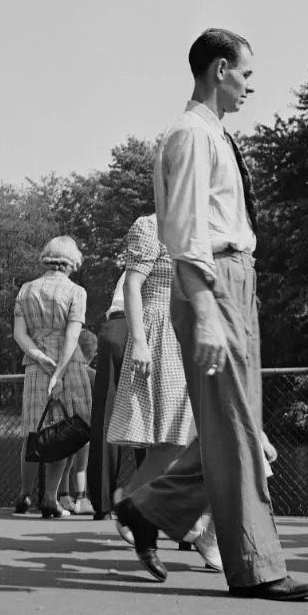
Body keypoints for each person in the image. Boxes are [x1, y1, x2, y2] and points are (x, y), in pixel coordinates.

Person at [114, 28, 308, 600]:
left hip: (236, 280)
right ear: (220, 69)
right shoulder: (190, 135)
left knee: (238, 424)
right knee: (234, 428)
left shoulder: (214, 136)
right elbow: (181, 230)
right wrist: (203, 306)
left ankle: (148, 509)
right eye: (247, 74)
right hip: (212, 281)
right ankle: (257, 567)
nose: (251, 85)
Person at [107, 214, 220, 570]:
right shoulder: (149, 225)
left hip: (187, 333)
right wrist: (138, 340)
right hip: (159, 333)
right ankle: (131, 501)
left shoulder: (200, 227)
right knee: (176, 436)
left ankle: (154, 508)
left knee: (188, 436)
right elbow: (131, 286)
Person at [13, 235, 93, 518]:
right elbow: (72, 337)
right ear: (72, 260)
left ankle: (24, 495)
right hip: (68, 366)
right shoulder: (76, 292)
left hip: (35, 367)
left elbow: (19, 335)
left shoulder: (26, 290)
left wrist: (41, 359)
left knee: (35, 431)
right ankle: (50, 498)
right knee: (66, 431)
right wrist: (57, 372)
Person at [86, 273, 144, 519]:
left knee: (105, 417)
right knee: (148, 416)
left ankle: (102, 504)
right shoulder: (170, 254)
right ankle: (149, 501)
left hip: (115, 329)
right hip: (144, 326)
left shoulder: (132, 264)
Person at [56, 328, 98, 516]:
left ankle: (64, 497)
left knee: (65, 463)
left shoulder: (64, 373)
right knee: (81, 466)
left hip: (66, 424)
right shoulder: (93, 375)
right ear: (93, 353)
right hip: (86, 426)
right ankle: (81, 499)